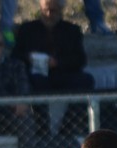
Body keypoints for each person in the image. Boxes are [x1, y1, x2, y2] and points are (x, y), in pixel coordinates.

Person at [11, 0, 95, 135]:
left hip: (62, 73)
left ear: (60, 11)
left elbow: (80, 59)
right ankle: (42, 128)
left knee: (86, 80)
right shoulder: (27, 29)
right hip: (37, 75)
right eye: (46, 10)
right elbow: (16, 55)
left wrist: (57, 63)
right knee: (36, 81)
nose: (49, 14)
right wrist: (29, 58)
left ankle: (68, 128)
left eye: (53, 10)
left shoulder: (72, 30)